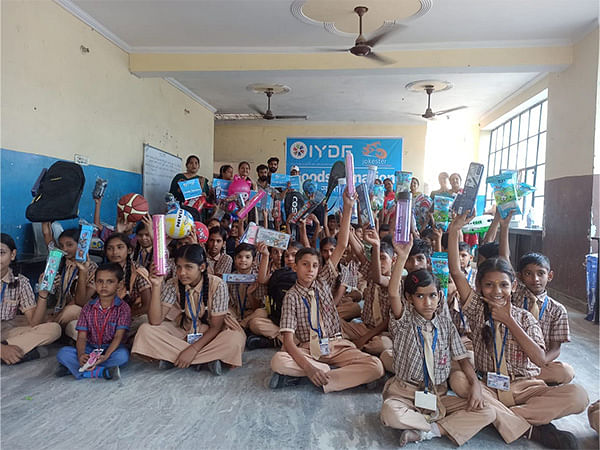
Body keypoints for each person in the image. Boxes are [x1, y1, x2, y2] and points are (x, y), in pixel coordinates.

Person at [447, 213, 589, 448]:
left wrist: (509, 320)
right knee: (460, 381)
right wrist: (454, 232)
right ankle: (531, 428)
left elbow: (541, 359)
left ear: (513, 286)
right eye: (489, 285)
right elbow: (456, 272)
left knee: (578, 395)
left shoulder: (525, 317)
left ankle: (497, 417)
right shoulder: (476, 310)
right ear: (479, 287)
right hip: (489, 385)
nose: (496, 291)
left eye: (503, 285)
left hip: (525, 386)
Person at [269, 188, 384, 392]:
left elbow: (341, 244)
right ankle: (325, 372)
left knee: (376, 366)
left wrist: (348, 208)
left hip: (336, 345)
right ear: (295, 267)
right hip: (309, 348)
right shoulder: (292, 297)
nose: (310, 270)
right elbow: (288, 341)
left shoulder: (323, 280)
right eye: (304, 265)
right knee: (279, 360)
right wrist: (309, 366)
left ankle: (322, 375)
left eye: (314, 265)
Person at [381, 247, 496, 447]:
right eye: (420, 296)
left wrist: (476, 385)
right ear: (409, 298)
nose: (428, 302)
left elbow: (462, 358)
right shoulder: (404, 320)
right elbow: (392, 294)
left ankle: (430, 431)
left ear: (439, 296)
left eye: (433, 295)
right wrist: (401, 258)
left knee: (487, 410)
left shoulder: (445, 325)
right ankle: (443, 425)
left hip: (437, 396)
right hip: (405, 393)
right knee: (389, 413)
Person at [131, 244, 245, 374]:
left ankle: (174, 357)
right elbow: (155, 321)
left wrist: (193, 350)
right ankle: (207, 360)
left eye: (188, 267)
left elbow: (216, 327)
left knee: (234, 340)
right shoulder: (172, 284)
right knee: (145, 330)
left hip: (212, 334)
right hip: (184, 330)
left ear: (202, 267)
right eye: (178, 267)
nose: (182, 273)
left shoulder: (218, 284)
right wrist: (156, 285)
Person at [56, 263, 130, 380]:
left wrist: (105, 356)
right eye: (100, 281)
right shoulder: (87, 308)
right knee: (63, 353)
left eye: (110, 282)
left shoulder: (123, 308)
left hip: (110, 349)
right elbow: (81, 337)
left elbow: (118, 337)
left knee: (122, 356)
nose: (104, 285)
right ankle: (102, 372)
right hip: (90, 348)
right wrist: (81, 355)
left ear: (119, 285)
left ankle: (77, 369)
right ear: (95, 283)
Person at [511, 253, 574, 385]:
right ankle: (527, 382)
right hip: (509, 356)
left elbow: (555, 348)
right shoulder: (512, 297)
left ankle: (525, 380)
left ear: (549, 276)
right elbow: (505, 258)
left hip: (538, 363)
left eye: (541, 273)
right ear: (520, 276)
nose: (535, 279)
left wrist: (541, 361)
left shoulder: (557, 310)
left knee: (565, 372)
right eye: (528, 274)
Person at [1, 233, 61, 364]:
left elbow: (34, 323)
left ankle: (9, 351)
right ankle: (12, 352)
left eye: (1, 252)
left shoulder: (20, 282)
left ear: (12, 255)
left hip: (5, 331)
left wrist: (43, 294)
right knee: (41, 348)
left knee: (53, 329)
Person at [341, 229, 393, 355]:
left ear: (394, 260)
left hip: (382, 333)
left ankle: (354, 346)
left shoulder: (394, 281)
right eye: (376, 259)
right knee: (332, 323)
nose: (379, 263)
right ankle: (356, 346)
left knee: (382, 345)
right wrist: (349, 231)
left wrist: (376, 245)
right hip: (364, 327)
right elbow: (360, 253)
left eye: (383, 258)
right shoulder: (371, 272)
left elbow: (378, 279)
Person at [41, 224, 97, 339]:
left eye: (70, 245)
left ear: (81, 245)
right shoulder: (60, 262)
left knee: (72, 311)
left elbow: (81, 302)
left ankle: (50, 328)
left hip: (81, 311)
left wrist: (82, 272)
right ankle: (54, 329)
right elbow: (47, 237)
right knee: (38, 314)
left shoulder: (92, 268)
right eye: (61, 246)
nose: (65, 249)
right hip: (60, 309)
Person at [228, 242, 279, 349]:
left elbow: (258, 308)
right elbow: (231, 304)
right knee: (225, 314)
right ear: (235, 259)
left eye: (247, 257)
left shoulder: (258, 277)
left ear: (254, 260)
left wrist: (250, 294)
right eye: (239, 257)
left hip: (252, 314)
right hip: (237, 314)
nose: (243, 260)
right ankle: (241, 329)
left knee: (261, 313)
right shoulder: (231, 277)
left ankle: (241, 327)